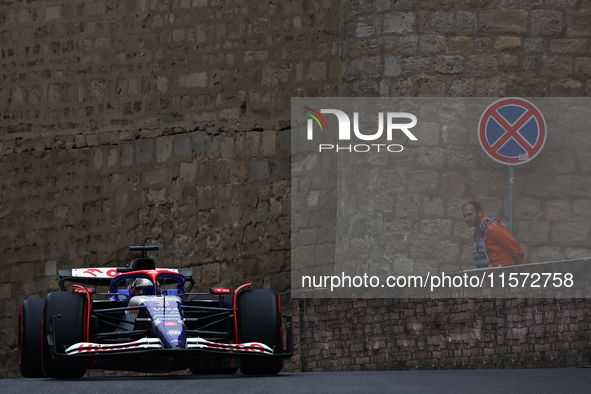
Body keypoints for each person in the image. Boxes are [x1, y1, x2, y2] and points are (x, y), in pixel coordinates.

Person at [462, 201, 525, 268]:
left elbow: (513, 247)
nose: (467, 219)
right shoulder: (480, 230)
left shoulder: (492, 227)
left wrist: (523, 266)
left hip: (504, 271)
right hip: (491, 273)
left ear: (479, 213)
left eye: (470, 214)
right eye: (464, 216)